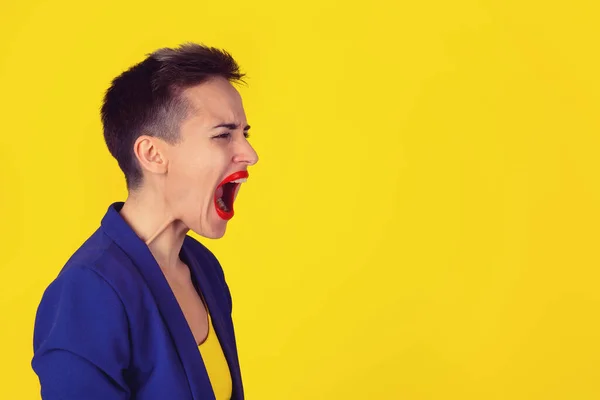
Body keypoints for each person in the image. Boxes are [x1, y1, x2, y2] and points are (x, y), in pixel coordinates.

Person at [31, 43, 259, 400]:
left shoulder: (205, 268)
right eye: (223, 135)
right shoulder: (86, 293)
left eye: (245, 134)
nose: (250, 154)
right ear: (153, 154)